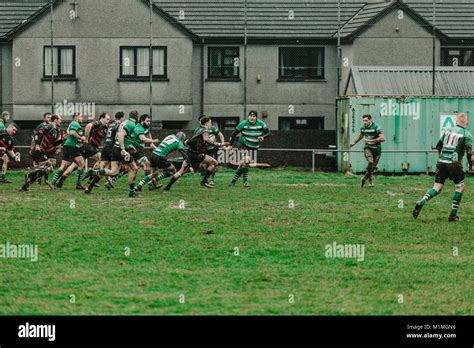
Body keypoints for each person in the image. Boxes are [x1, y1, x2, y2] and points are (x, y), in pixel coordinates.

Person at [413, 113, 473, 221]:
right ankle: (453, 215)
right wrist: (471, 165)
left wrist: (441, 158)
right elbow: (469, 152)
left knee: (436, 187)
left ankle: (422, 201)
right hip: (454, 163)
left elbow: (438, 146)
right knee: (460, 187)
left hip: (441, 162)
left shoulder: (448, 130)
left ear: (456, 122)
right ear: (466, 123)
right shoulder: (467, 134)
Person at [21, 115, 63, 191]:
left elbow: (53, 144)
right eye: (60, 119)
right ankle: (30, 175)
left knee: (42, 171)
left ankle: (26, 185)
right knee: (48, 166)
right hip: (38, 151)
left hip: (42, 152)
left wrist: (62, 140)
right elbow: (37, 133)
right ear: (56, 120)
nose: (61, 121)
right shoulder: (49, 126)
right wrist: (37, 144)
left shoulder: (55, 131)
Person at [229, 111, 269, 187]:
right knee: (246, 161)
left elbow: (268, 133)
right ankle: (246, 182)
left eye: (254, 116)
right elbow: (234, 133)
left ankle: (233, 181)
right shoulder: (243, 123)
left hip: (253, 146)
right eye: (250, 116)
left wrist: (263, 137)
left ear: (256, 117)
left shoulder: (261, 124)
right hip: (243, 144)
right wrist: (230, 144)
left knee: (243, 164)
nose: (252, 117)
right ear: (248, 117)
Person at [50, 113, 86, 188]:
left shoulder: (75, 124)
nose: (82, 118)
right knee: (77, 165)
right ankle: (53, 182)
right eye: (81, 116)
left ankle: (54, 182)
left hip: (71, 146)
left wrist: (80, 141)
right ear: (76, 117)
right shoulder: (75, 123)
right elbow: (73, 133)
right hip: (71, 146)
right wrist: (81, 138)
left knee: (77, 165)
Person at [350, 114, 385, 188]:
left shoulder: (376, 127)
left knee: (372, 167)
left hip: (377, 149)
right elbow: (361, 136)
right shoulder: (363, 128)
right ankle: (370, 180)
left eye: (366, 121)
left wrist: (370, 140)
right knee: (370, 162)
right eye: (363, 121)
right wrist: (354, 143)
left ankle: (363, 179)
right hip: (368, 147)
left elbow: (382, 139)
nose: (365, 122)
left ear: (370, 120)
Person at [193, 115, 224, 186]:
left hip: (212, 149)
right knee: (203, 165)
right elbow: (197, 140)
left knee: (214, 164)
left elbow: (220, 135)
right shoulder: (198, 130)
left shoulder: (212, 128)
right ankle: (204, 179)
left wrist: (222, 143)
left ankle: (211, 179)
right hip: (203, 149)